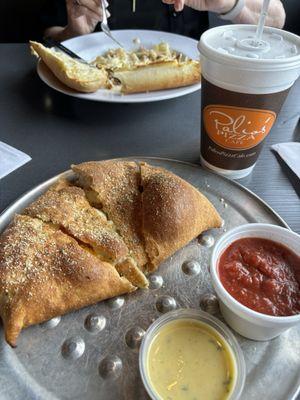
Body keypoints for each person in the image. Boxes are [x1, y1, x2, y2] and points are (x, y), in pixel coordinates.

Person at [43, 0, 285, 42]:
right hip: (96, 103)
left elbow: (276, 18)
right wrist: (77, 32)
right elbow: (48, 34)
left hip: (193, 98)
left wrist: (229, 3)